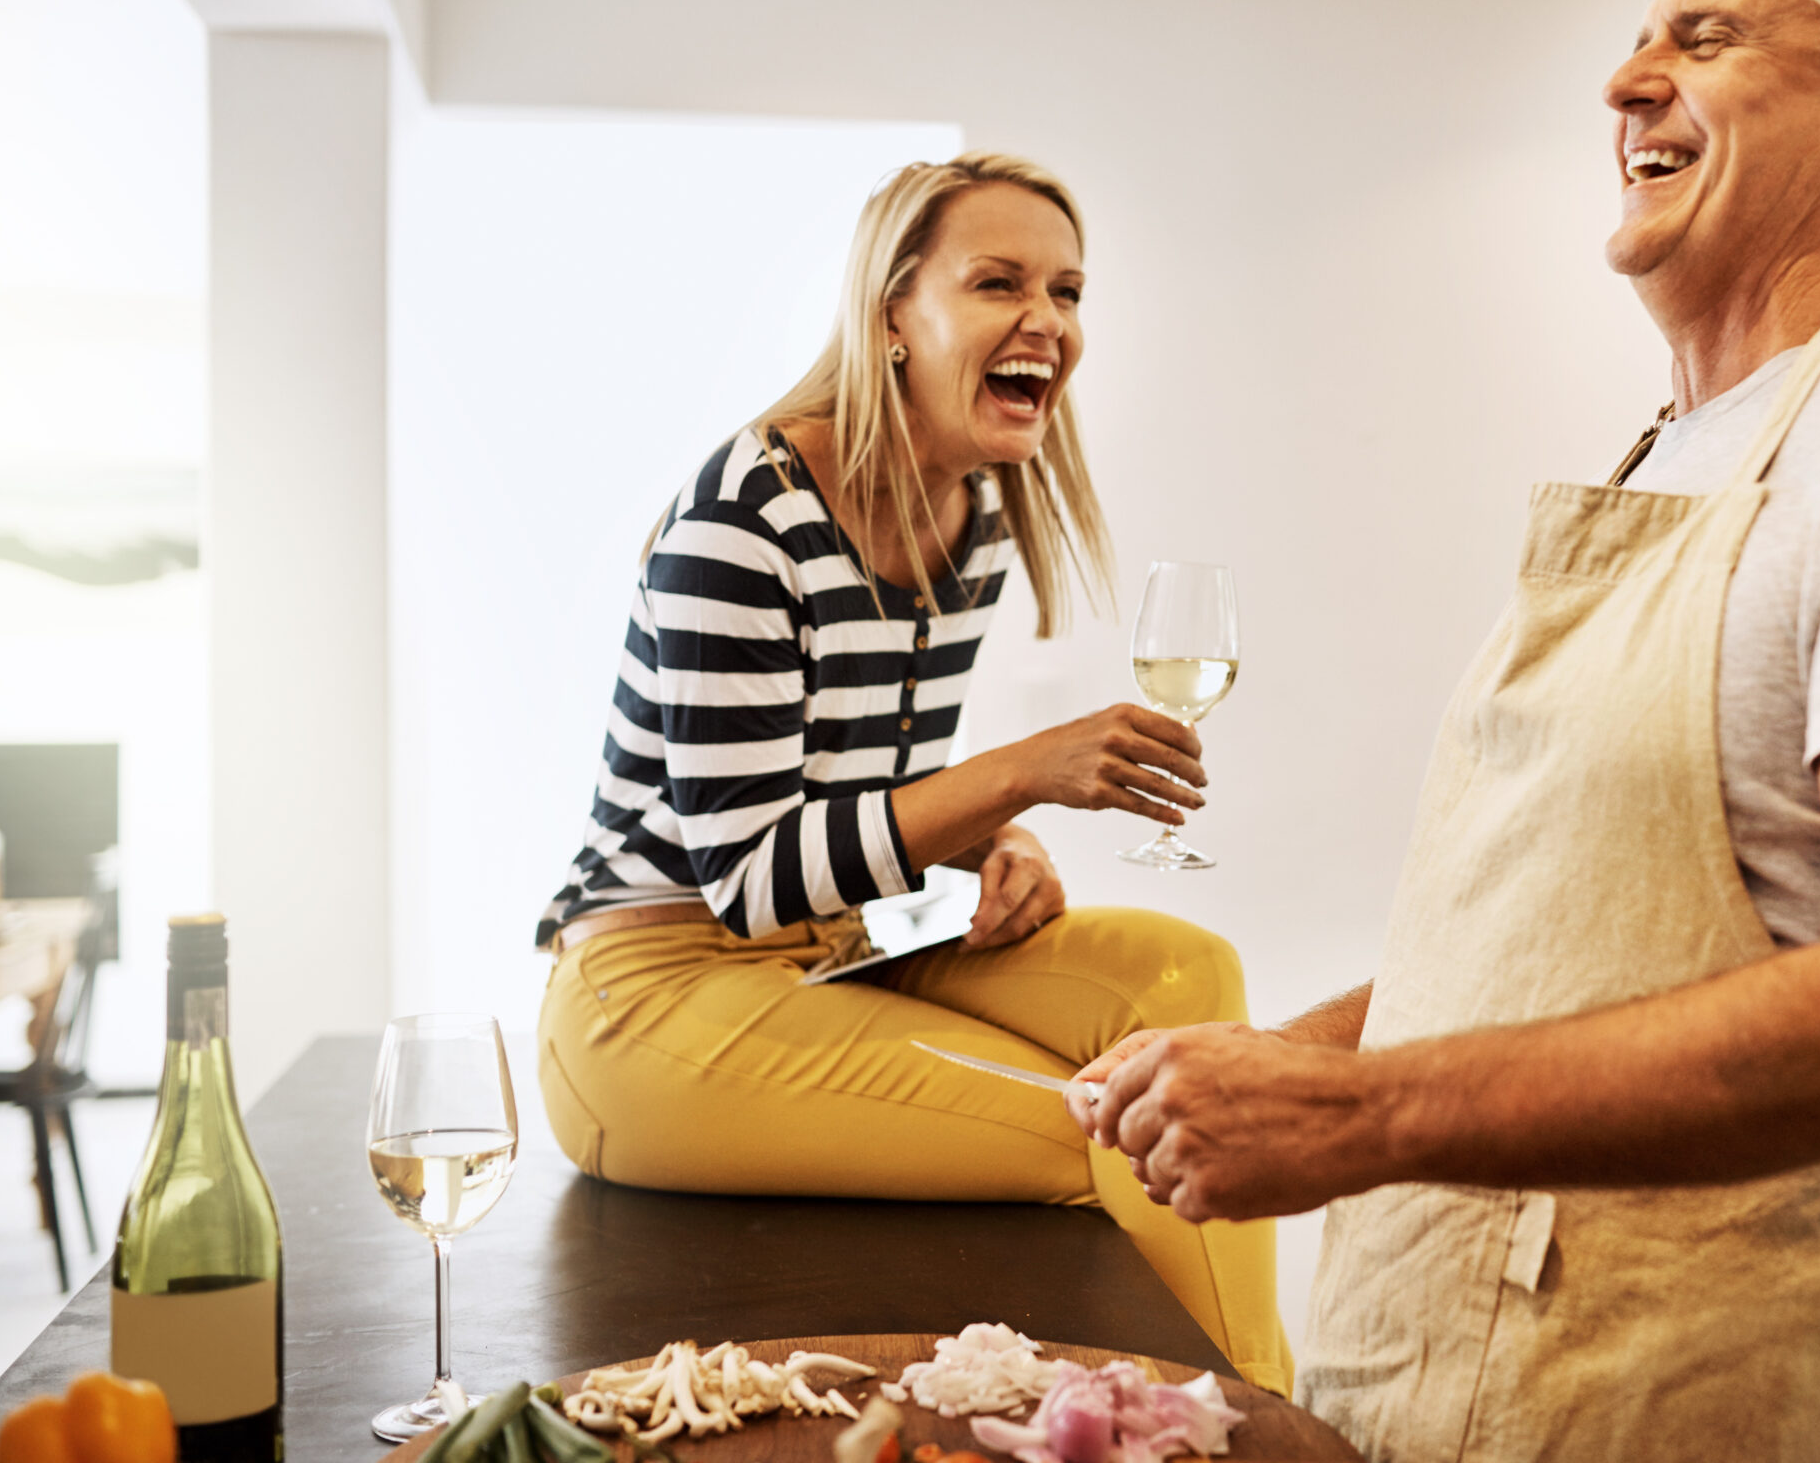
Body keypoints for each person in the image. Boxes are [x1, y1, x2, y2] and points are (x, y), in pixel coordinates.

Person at [1067, 0, 1820, 1461]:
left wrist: (1355, 1119)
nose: (1625, 83)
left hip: (1667, 1392)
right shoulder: (1671, 454)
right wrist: (1302, 1056)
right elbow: (1559, 945)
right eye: (1637, 43)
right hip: (1430, 1358)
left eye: (1701, 40)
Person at [534, 153, 1291, 1394]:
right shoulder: (747, 516)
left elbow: (860, 802)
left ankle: (1231, 1406)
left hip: (831, 949)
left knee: (1182, 973)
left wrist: (998, 844)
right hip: (650, 995)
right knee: (1118, 1122)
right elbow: (750, 877)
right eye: (998, 282)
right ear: (893, 313)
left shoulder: (976, 519)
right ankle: (1244, 1416)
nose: (1046, 321)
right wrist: (1017, 777)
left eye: (1067, 290)